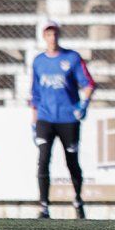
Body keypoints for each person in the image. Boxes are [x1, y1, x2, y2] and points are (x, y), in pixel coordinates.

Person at [30, 20, 96, 219]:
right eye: (48, 34)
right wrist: (33, 122)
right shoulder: (38, 61)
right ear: (44, 36)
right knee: (43, 159)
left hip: (68, 118)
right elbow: (35, 94)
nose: (52, 37)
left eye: (55, 33)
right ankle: (44, 206)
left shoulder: (72, 58)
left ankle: (77, 199)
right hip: (45, 118)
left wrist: (83, 104)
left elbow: (89, 84)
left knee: (71, 161)